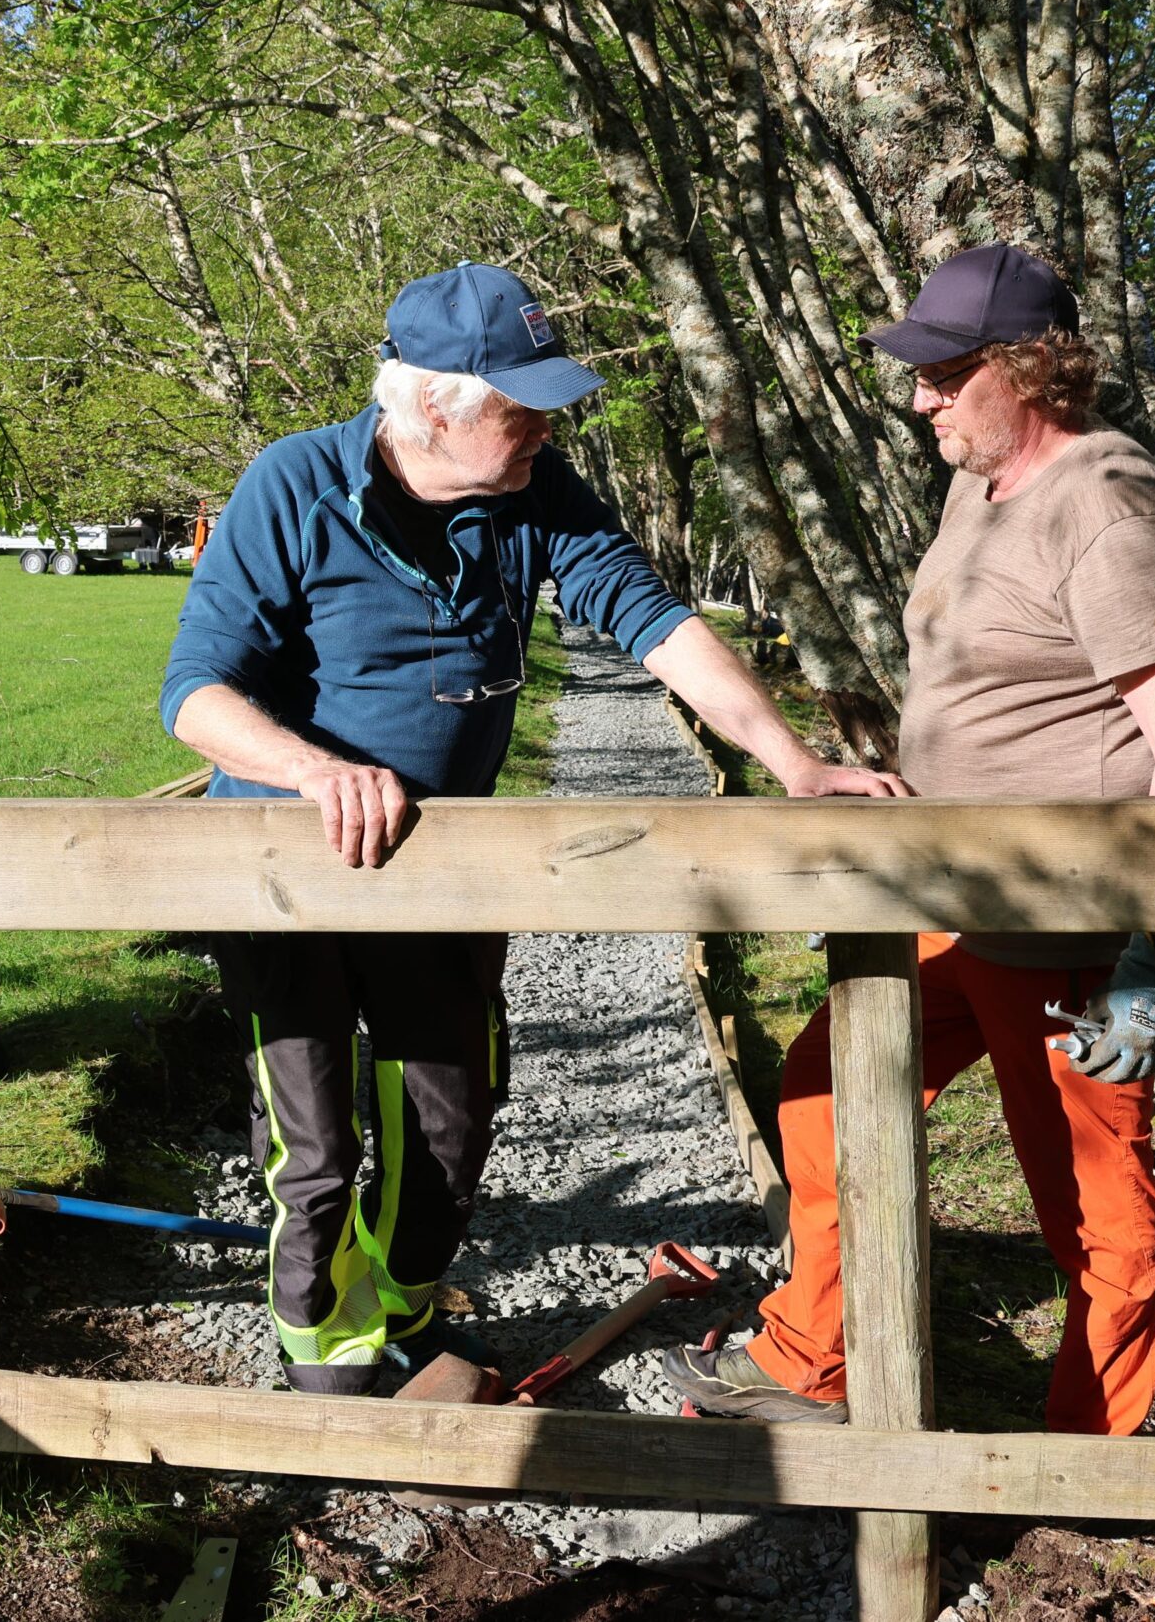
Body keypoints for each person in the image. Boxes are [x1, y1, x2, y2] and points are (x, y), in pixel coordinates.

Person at [161, 260, 908, 1397]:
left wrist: (793, 762)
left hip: (446, 874)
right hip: (287, 872)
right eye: (523, 409)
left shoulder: (533, 489)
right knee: (312, 1147)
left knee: (449, 1123)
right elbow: (196, 695)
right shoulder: (294, 484)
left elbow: (652, 618)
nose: (548, 430)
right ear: (430, 405)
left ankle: (401, 1311)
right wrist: (317, 771)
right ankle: (329, 1361)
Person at [658, 244, 1155, 1435]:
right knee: (822, 1095)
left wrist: (1150, 958)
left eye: (945, 375)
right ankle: (812, 1362)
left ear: (1033, 369)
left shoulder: (1107, 505)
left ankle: (1089, 1455)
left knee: (1092, 1206)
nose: (919, 401)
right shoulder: (985, 479)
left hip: (1063, 932)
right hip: (948, 900)